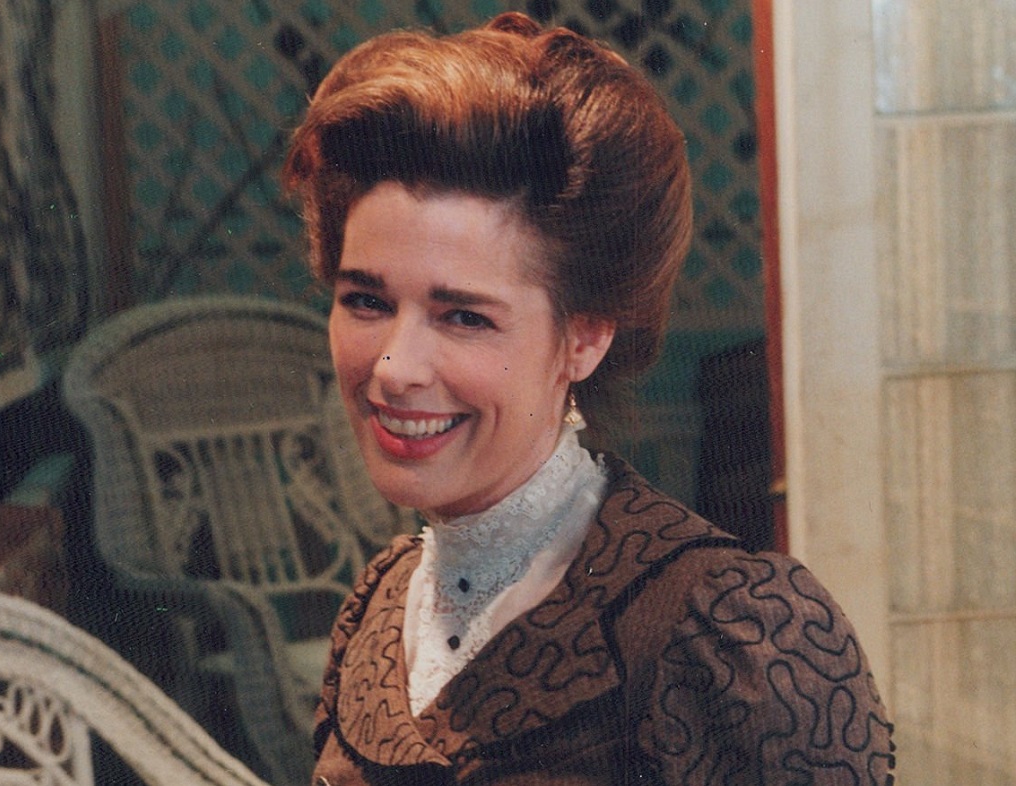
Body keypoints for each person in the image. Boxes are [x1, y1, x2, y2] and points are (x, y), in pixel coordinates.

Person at [284, 12, 894, 785]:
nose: (395, 368)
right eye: (367, 302)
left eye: (464, 317)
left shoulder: (731, 634)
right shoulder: (376, 609)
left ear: (585, 337)